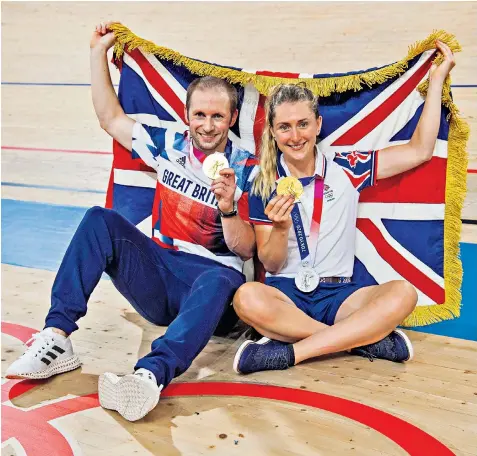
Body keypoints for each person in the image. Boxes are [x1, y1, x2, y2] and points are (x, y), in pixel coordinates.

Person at [6, 22, 257, 421]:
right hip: (160, 279)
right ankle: (57, 337)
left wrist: (228, 208)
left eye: (218, 116)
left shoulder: (249, 168)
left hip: (213, 290)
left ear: (232, 118)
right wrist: (97, 54)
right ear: (187, 115)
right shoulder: (168, 144)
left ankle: (148, 377)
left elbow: (248, 250)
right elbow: (110, 118)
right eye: (200, 115)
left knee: (223, 277)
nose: (208, 125)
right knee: (99, 221)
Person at [232, 40, 455, 375]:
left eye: (303, 124)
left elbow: (419, 150)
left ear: (318, 125)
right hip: (287, 295)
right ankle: (362, 341)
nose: (295, 135)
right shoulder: (264, 182)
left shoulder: (347, 167)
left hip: (340, 295)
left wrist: (436, 80)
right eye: (284, 127)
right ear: (274, 134)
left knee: (403, 293)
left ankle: (288, 353)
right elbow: (271, 263)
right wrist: (280, 229)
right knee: (246, 297)